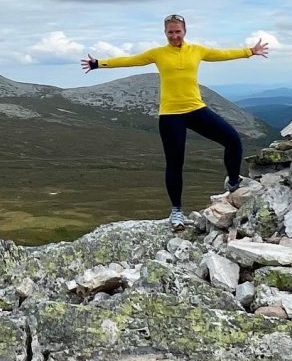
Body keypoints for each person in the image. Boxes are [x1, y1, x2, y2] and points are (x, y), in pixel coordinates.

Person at [81, 14, 268, 226]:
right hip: (170, 115)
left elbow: (222, 54)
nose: (174, 35)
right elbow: (130, 60)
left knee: (232, 139)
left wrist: (250, 51)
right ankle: (176, 210)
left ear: (185, 31)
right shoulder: (158, 54)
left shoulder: (197, 50)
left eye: (178, 31)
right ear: (165, 33)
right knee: (175, 163)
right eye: (170, 32)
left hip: (196, 109)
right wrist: (98, 63)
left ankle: (233, 182)